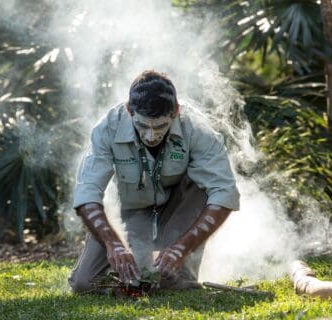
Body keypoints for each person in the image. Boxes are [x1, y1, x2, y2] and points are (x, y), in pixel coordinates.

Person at [68, 70, 240, 293]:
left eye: (160, 127)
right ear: (130, 111)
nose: (151, 136)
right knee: (85, 283)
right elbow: (87, 193)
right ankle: (137, 273)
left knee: (169, 282)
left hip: (178, 213)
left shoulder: (197, 128)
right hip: (131, 213)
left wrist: (182, 248)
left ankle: (178, 269)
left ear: (176, 112)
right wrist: (113, 244)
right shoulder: (107, 127)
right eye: (143, 126)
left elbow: (224, 192)